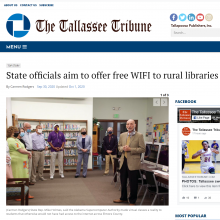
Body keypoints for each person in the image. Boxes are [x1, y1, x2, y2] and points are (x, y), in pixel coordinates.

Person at [113, 119, 145, 205]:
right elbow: (119, 146)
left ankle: (132, 200)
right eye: (128, 124)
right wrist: (122, 149)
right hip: (123, 161)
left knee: (133, 182)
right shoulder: (122, 135)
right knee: (123, 181)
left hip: (134, 162)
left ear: (134, 125)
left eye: (131, 124)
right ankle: (123, 198)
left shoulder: (139, 135)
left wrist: (130, 149)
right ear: (126, 125)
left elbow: (142, 149)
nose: (129, 126)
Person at [7, 126, 34, 199]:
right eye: (15, 132)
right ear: (11, 133)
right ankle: (17, 195)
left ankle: (26, 193)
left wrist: (27, 153)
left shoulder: (17, 139)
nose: (17, 133)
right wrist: (28, 153)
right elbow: (20, 150)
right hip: (17, 162)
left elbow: (23, 147)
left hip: (23, 162)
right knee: (18, 178)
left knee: (24, 177)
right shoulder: (10, 140)